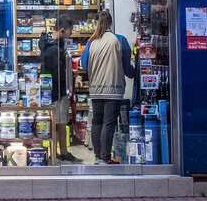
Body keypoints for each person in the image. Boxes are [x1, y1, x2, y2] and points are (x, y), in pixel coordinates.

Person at [80, 11, 135, 165]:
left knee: (97, 122)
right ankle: (105, 157)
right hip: (113, 88)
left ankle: (98, 157)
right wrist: (135, 73)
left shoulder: (92, 42)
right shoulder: (120, 40)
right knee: (108, 123)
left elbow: (84, 64)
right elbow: (126, 68)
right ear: (111, 23)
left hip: (96, 89)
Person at [39, 17, 81, 162]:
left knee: (61, 123)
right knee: (56, 123)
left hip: (57, 91)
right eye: (69, 32)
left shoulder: (54, 46)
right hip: (56, 92)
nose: (71, 35)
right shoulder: (53, 50)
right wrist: (69, 76)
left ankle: (62, 152)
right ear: (62, 31)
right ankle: (54, 154)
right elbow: (57, 74)